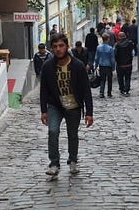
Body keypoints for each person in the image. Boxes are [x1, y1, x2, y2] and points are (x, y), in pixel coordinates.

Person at [40, 33, 94, 176]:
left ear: (67, 46)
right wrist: (43, 110)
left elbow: (86, 91)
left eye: (61, 46)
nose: (58, 49)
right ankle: (54, 163)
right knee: (53, 131)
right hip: (55, 105)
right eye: (55, 46)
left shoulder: (78, 66)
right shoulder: (47, 67)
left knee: (72, 134)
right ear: (51, 49)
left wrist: (89, 113)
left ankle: (73, 160)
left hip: (74, 105)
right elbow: (43, 90)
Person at [114, 32, 135, 96]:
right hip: (128, 64)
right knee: (127, 78)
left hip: (120, 65)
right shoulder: (130, 43)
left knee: (120, 78)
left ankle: (122, 89)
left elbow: (115, 54)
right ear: (125, 36)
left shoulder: (117, 45)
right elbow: (133, 53)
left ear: (119, 37)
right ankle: (126, 90)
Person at [95, 33, 115, 98]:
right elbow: (112, 59)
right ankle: (109, 93)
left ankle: (101, 92)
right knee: (109, 80)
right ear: (108, 39)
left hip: (101, 66)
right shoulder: (110, 48)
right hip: (108, 66)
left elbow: (96, 58)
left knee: (102, 79)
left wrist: (96, 65)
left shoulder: (98, 47)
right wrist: (113, 67)